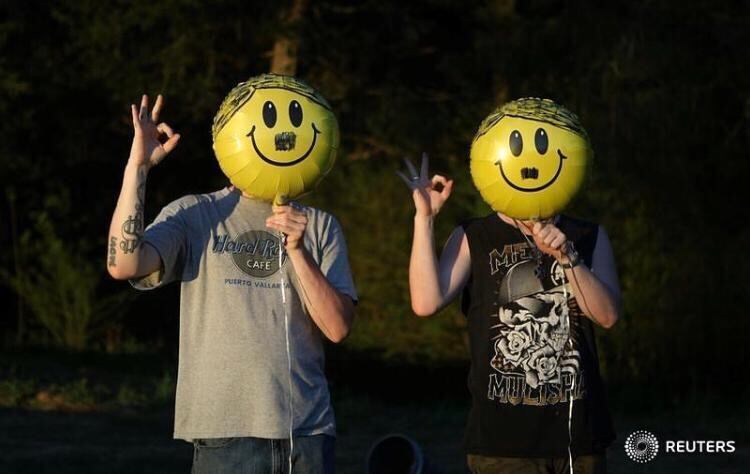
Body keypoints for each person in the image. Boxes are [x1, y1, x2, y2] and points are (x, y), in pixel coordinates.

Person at [107, 94, 356, 473]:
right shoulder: (195, 214)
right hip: (223, 434)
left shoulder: (320, 225)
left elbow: (337, 328)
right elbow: (123, 264)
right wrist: (137, 167)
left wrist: (298, 251)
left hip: (306, 434)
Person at [398, 153, 620, 474]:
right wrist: (425, 218)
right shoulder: (474, 235)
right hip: (503, 446)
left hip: (580, 440)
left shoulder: (588, 235)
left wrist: (567, 255)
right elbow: (425, 303)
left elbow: (608, 315)